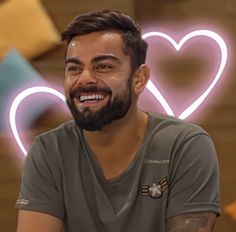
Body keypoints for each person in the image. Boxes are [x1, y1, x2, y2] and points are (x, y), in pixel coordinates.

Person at [16, 10, 220, 232]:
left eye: (103, 66)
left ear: (139, 79)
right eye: (74, 68)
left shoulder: (185, 146)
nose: (84, 79)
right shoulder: (48, 151)